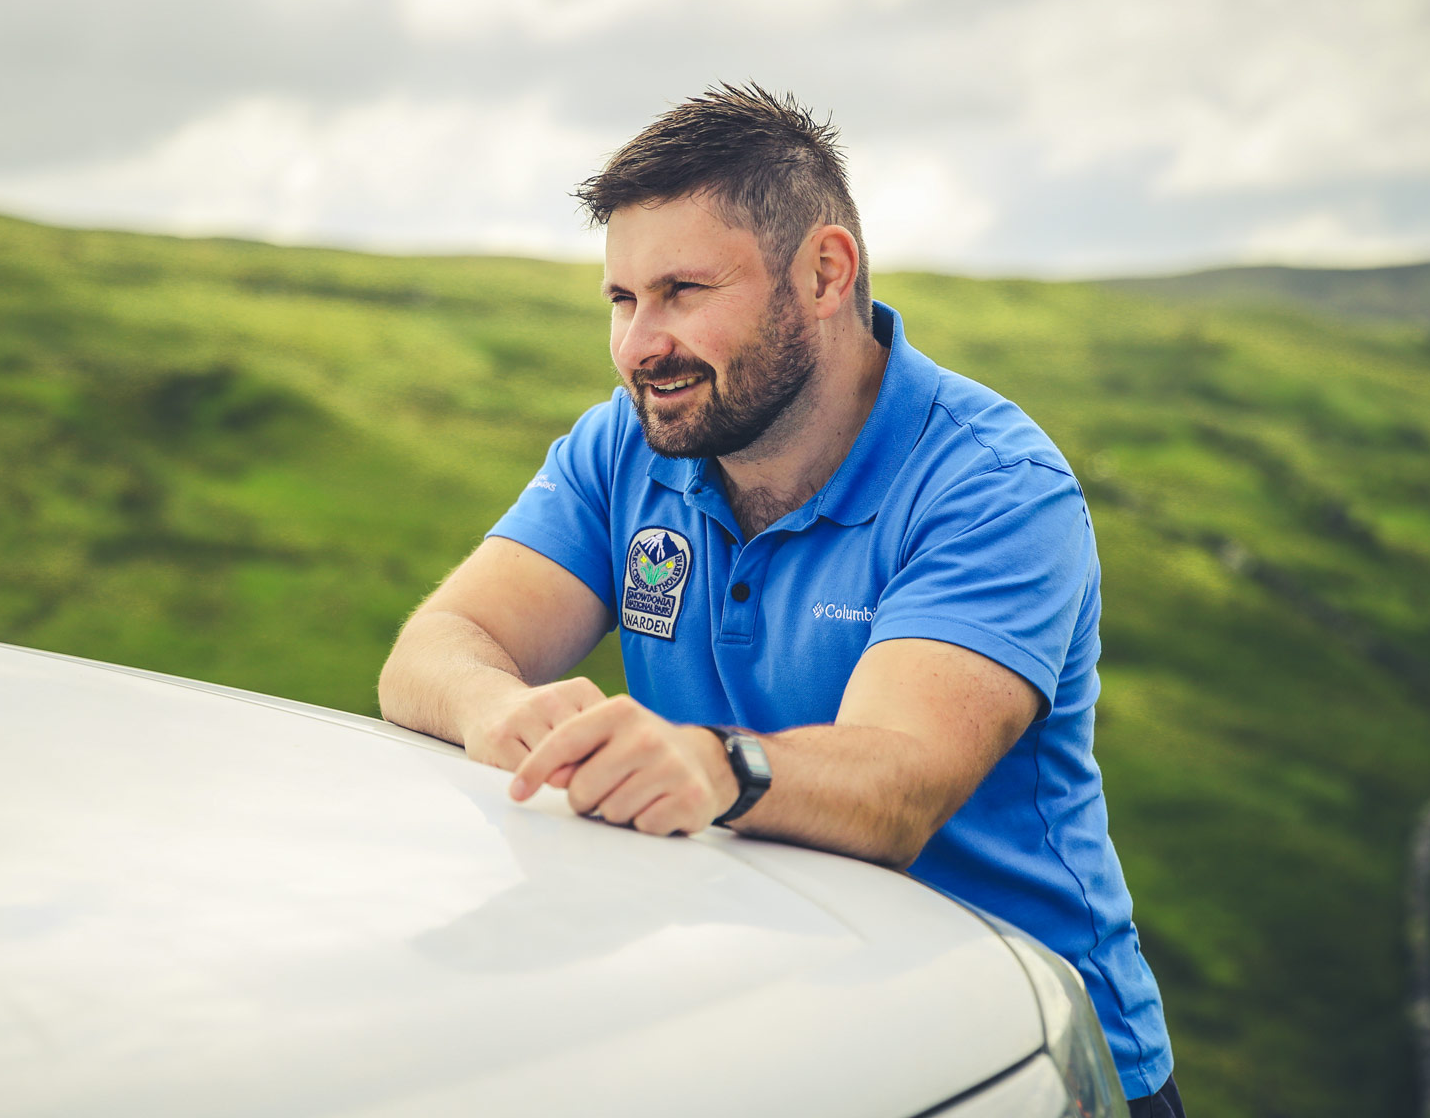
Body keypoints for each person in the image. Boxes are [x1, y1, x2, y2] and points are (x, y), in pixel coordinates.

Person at [378, 83, 1181, 1116]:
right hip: (768, 1038)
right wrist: (499, 711)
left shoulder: (991, 485)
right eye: (621, 300)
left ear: (824, 273)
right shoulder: (623, 446)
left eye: (683, 291)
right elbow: (440, 644)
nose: (637, 347)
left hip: (1031, 1057)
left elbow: (900, 787)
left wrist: (710, 763)